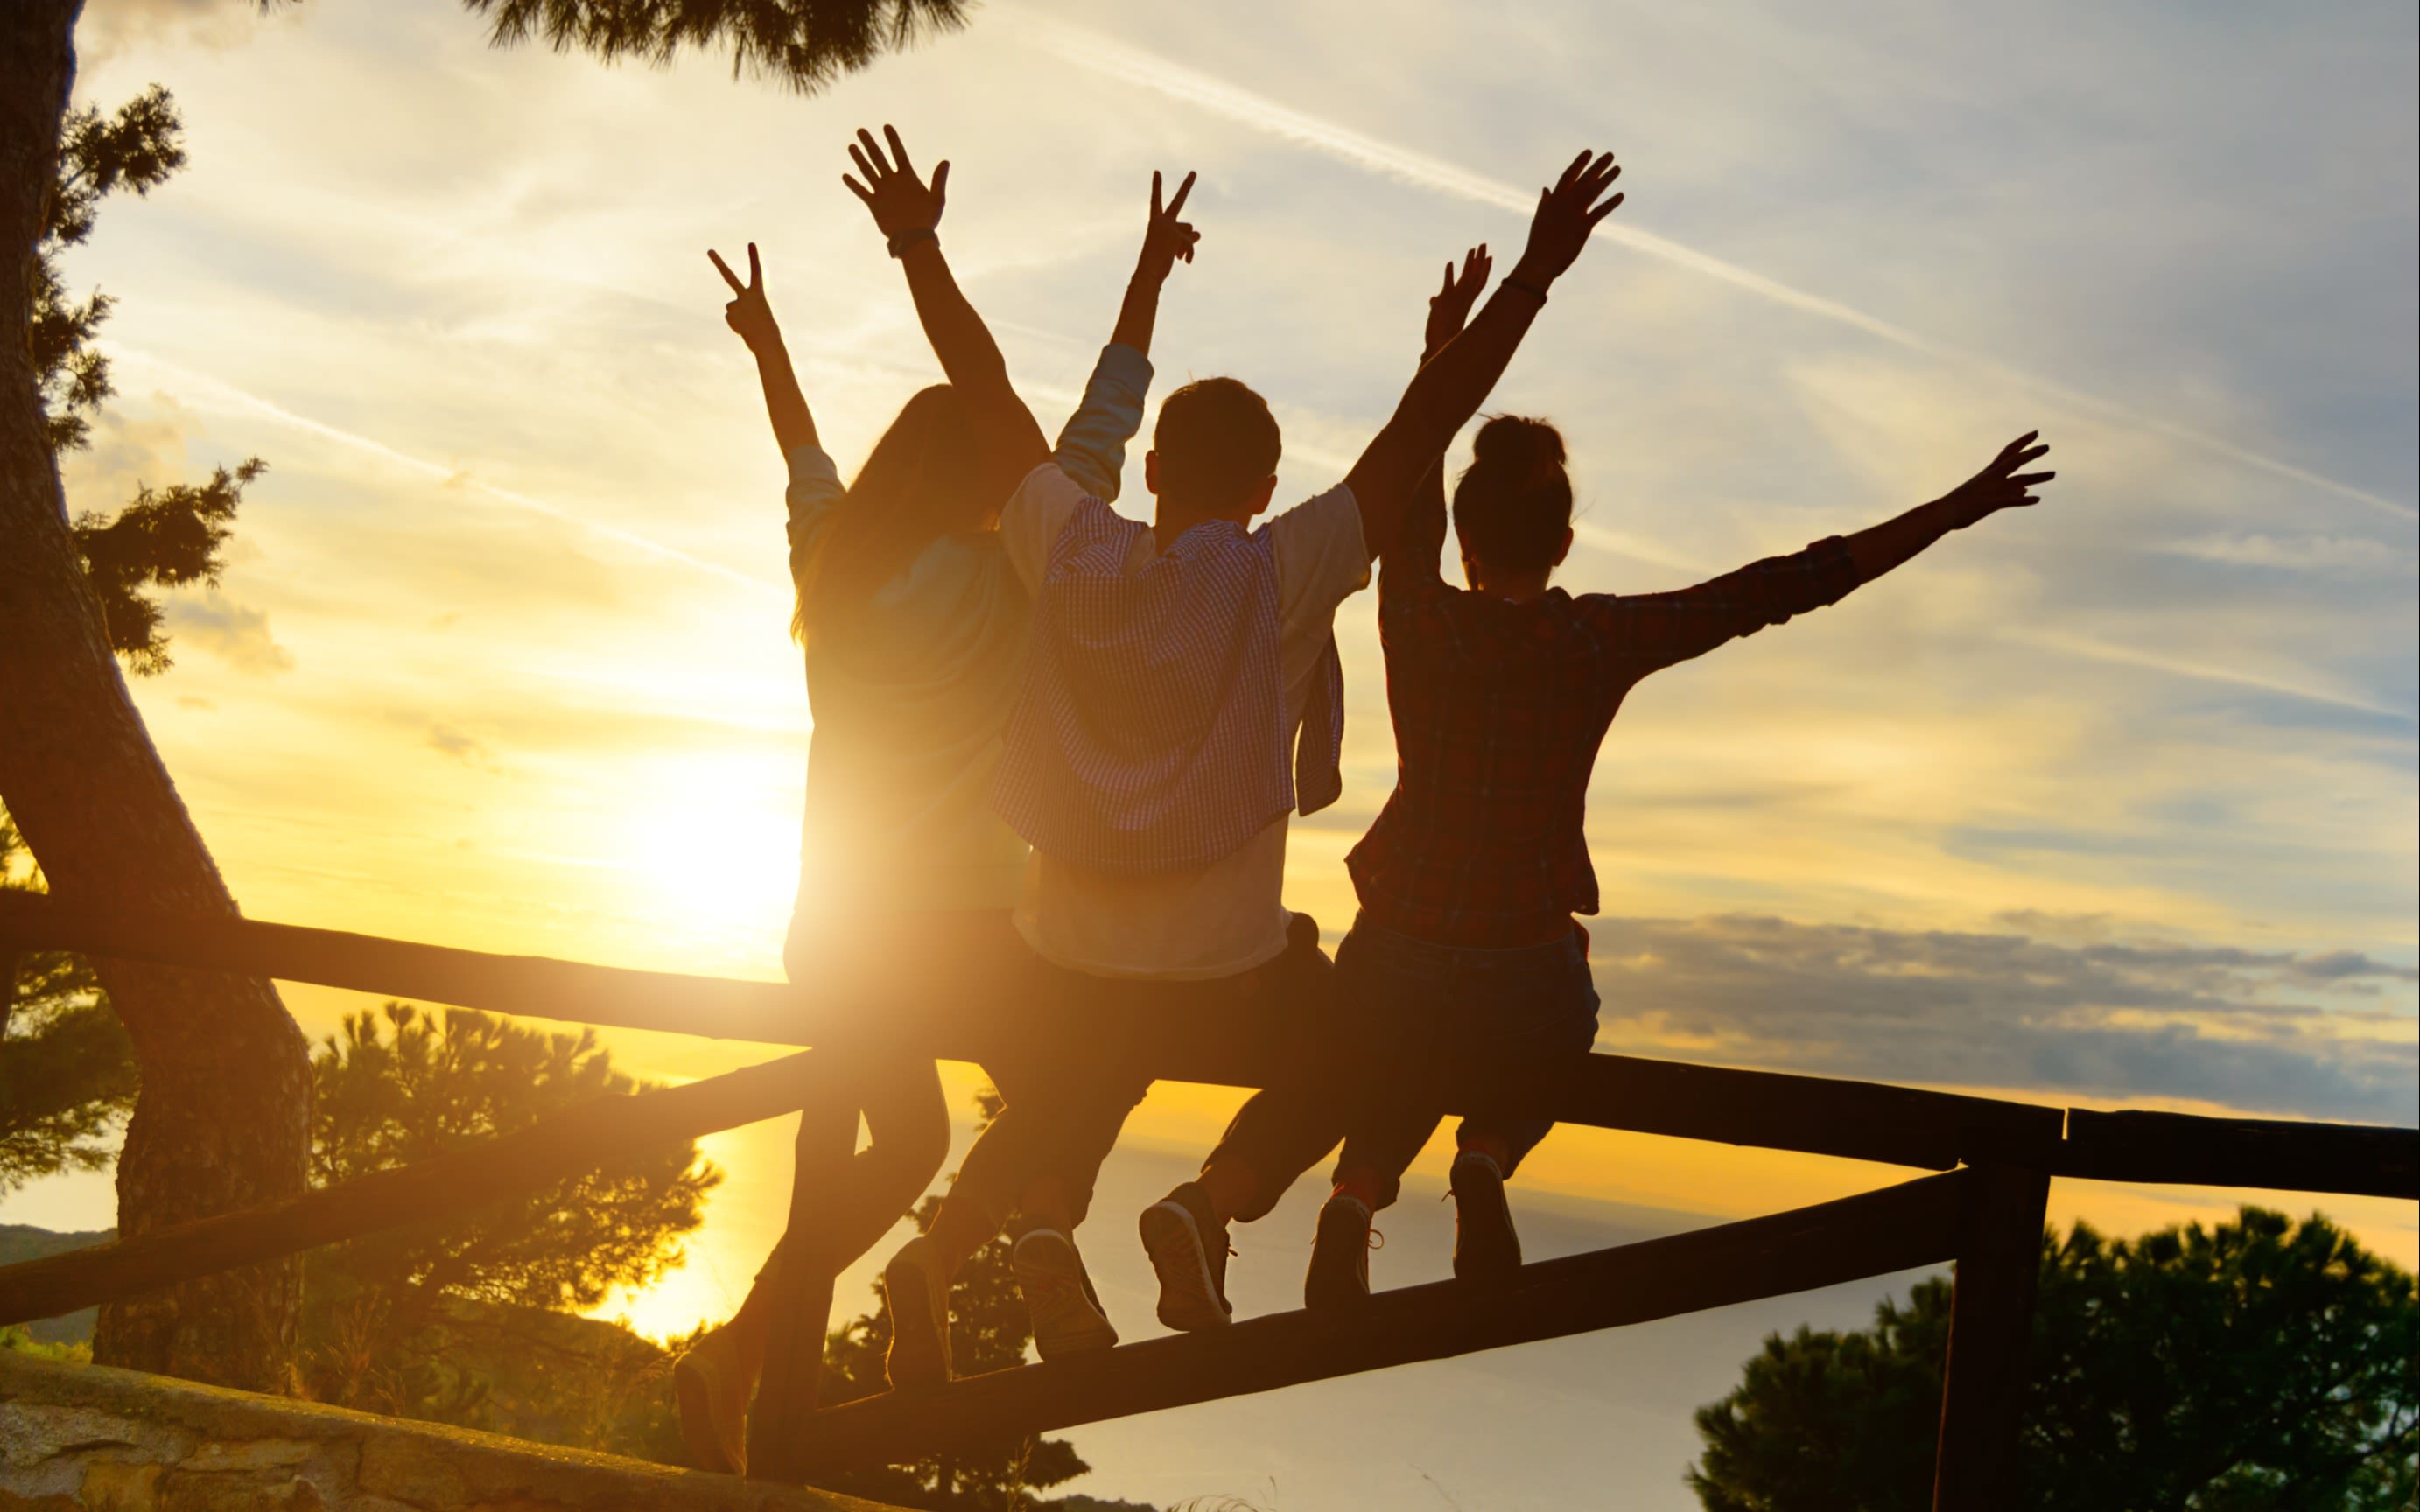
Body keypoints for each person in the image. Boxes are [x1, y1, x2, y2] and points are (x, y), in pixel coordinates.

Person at [875, 148, 1628, 1363]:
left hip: (1061, 951)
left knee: (1075, 1069)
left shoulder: (1062, 548)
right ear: (1269, 486)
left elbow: (986, 388)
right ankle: (1205, 1203)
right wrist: (1535, 272)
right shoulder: (1282, 573)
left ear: (1156, 471)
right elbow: (1425, 425)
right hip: (1220, 972)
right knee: (1371, 1042)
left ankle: (979, 1242)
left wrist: (917, 245)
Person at [1289, 258, 2056, 1306]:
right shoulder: (1596, 635)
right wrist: (1949, 511)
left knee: (1387, 1054)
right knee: (1567, 1023)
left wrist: (1439, 353)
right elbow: (1783, 585)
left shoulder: (1413, 613)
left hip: (1398, 936)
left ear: (1463, 540)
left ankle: (1352, 1199)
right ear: (1561, 540)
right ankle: (1486, 1153)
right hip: (1519, 949)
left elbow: (1414, 466)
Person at [670, 126, 1196, 1466]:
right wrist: (1137, 277)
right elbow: (1091, 418)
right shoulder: (1017, 574)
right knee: (1102, 1057)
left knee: (901, 1141)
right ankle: (1014, 1237)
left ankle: (738, 1357)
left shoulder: (830, 569)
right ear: (983, 482)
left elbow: (800, 454)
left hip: (834, 936)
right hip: (966, 933)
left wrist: (768, 343)